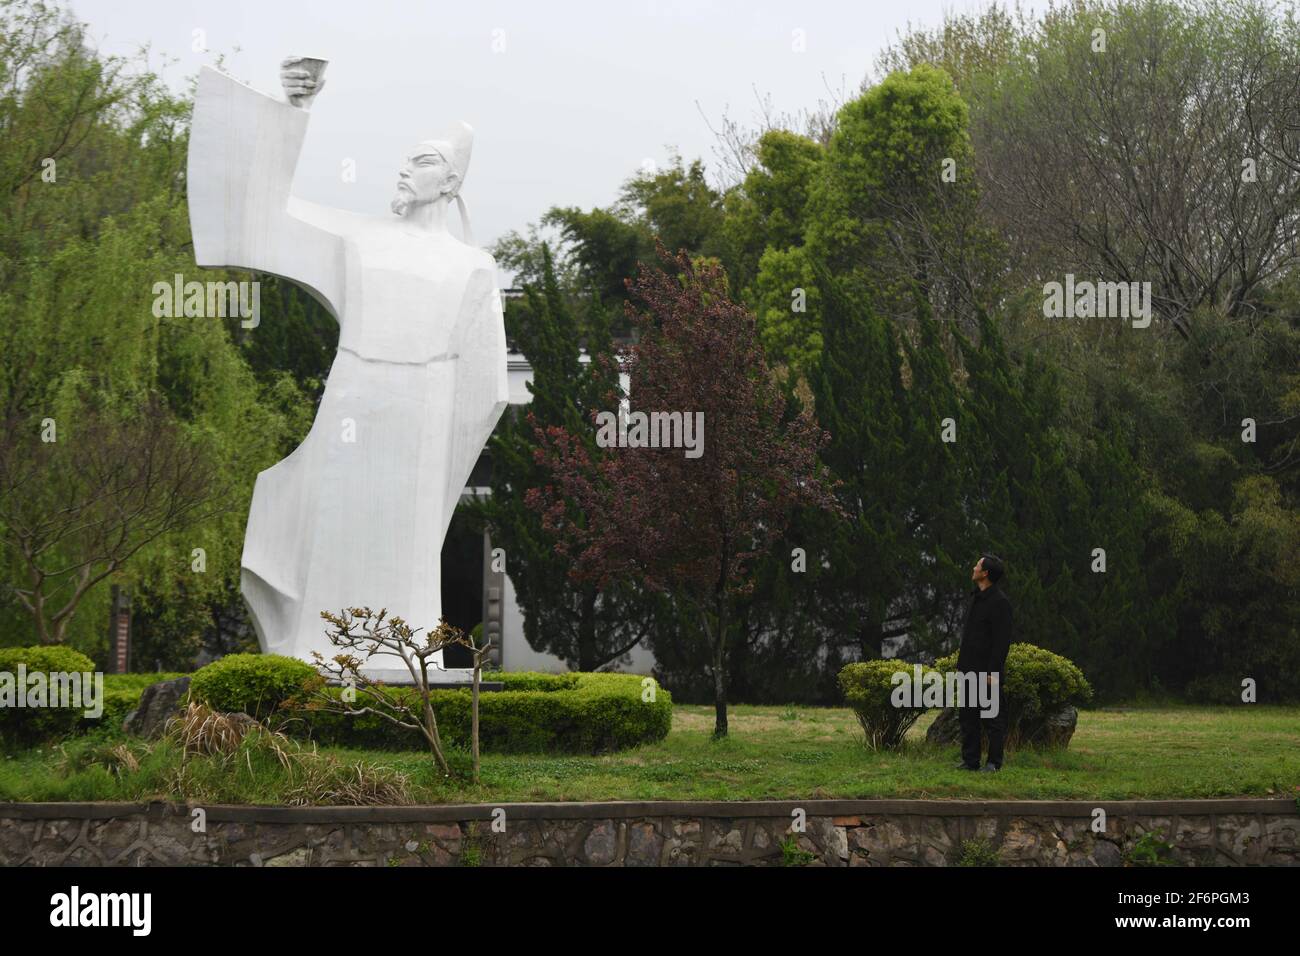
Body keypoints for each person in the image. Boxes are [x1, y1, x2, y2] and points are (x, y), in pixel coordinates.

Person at [955, 554, 1013, 772]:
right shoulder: (976, 598)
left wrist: (993, 673)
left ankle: (993, 763)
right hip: (968, 669)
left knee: (992, 719)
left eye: (977, 565)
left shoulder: (1000, 603)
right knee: (967, 717)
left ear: (985, 573)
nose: (973, 567)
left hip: (988, 673)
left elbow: (1001, 642)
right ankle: (970, 761)